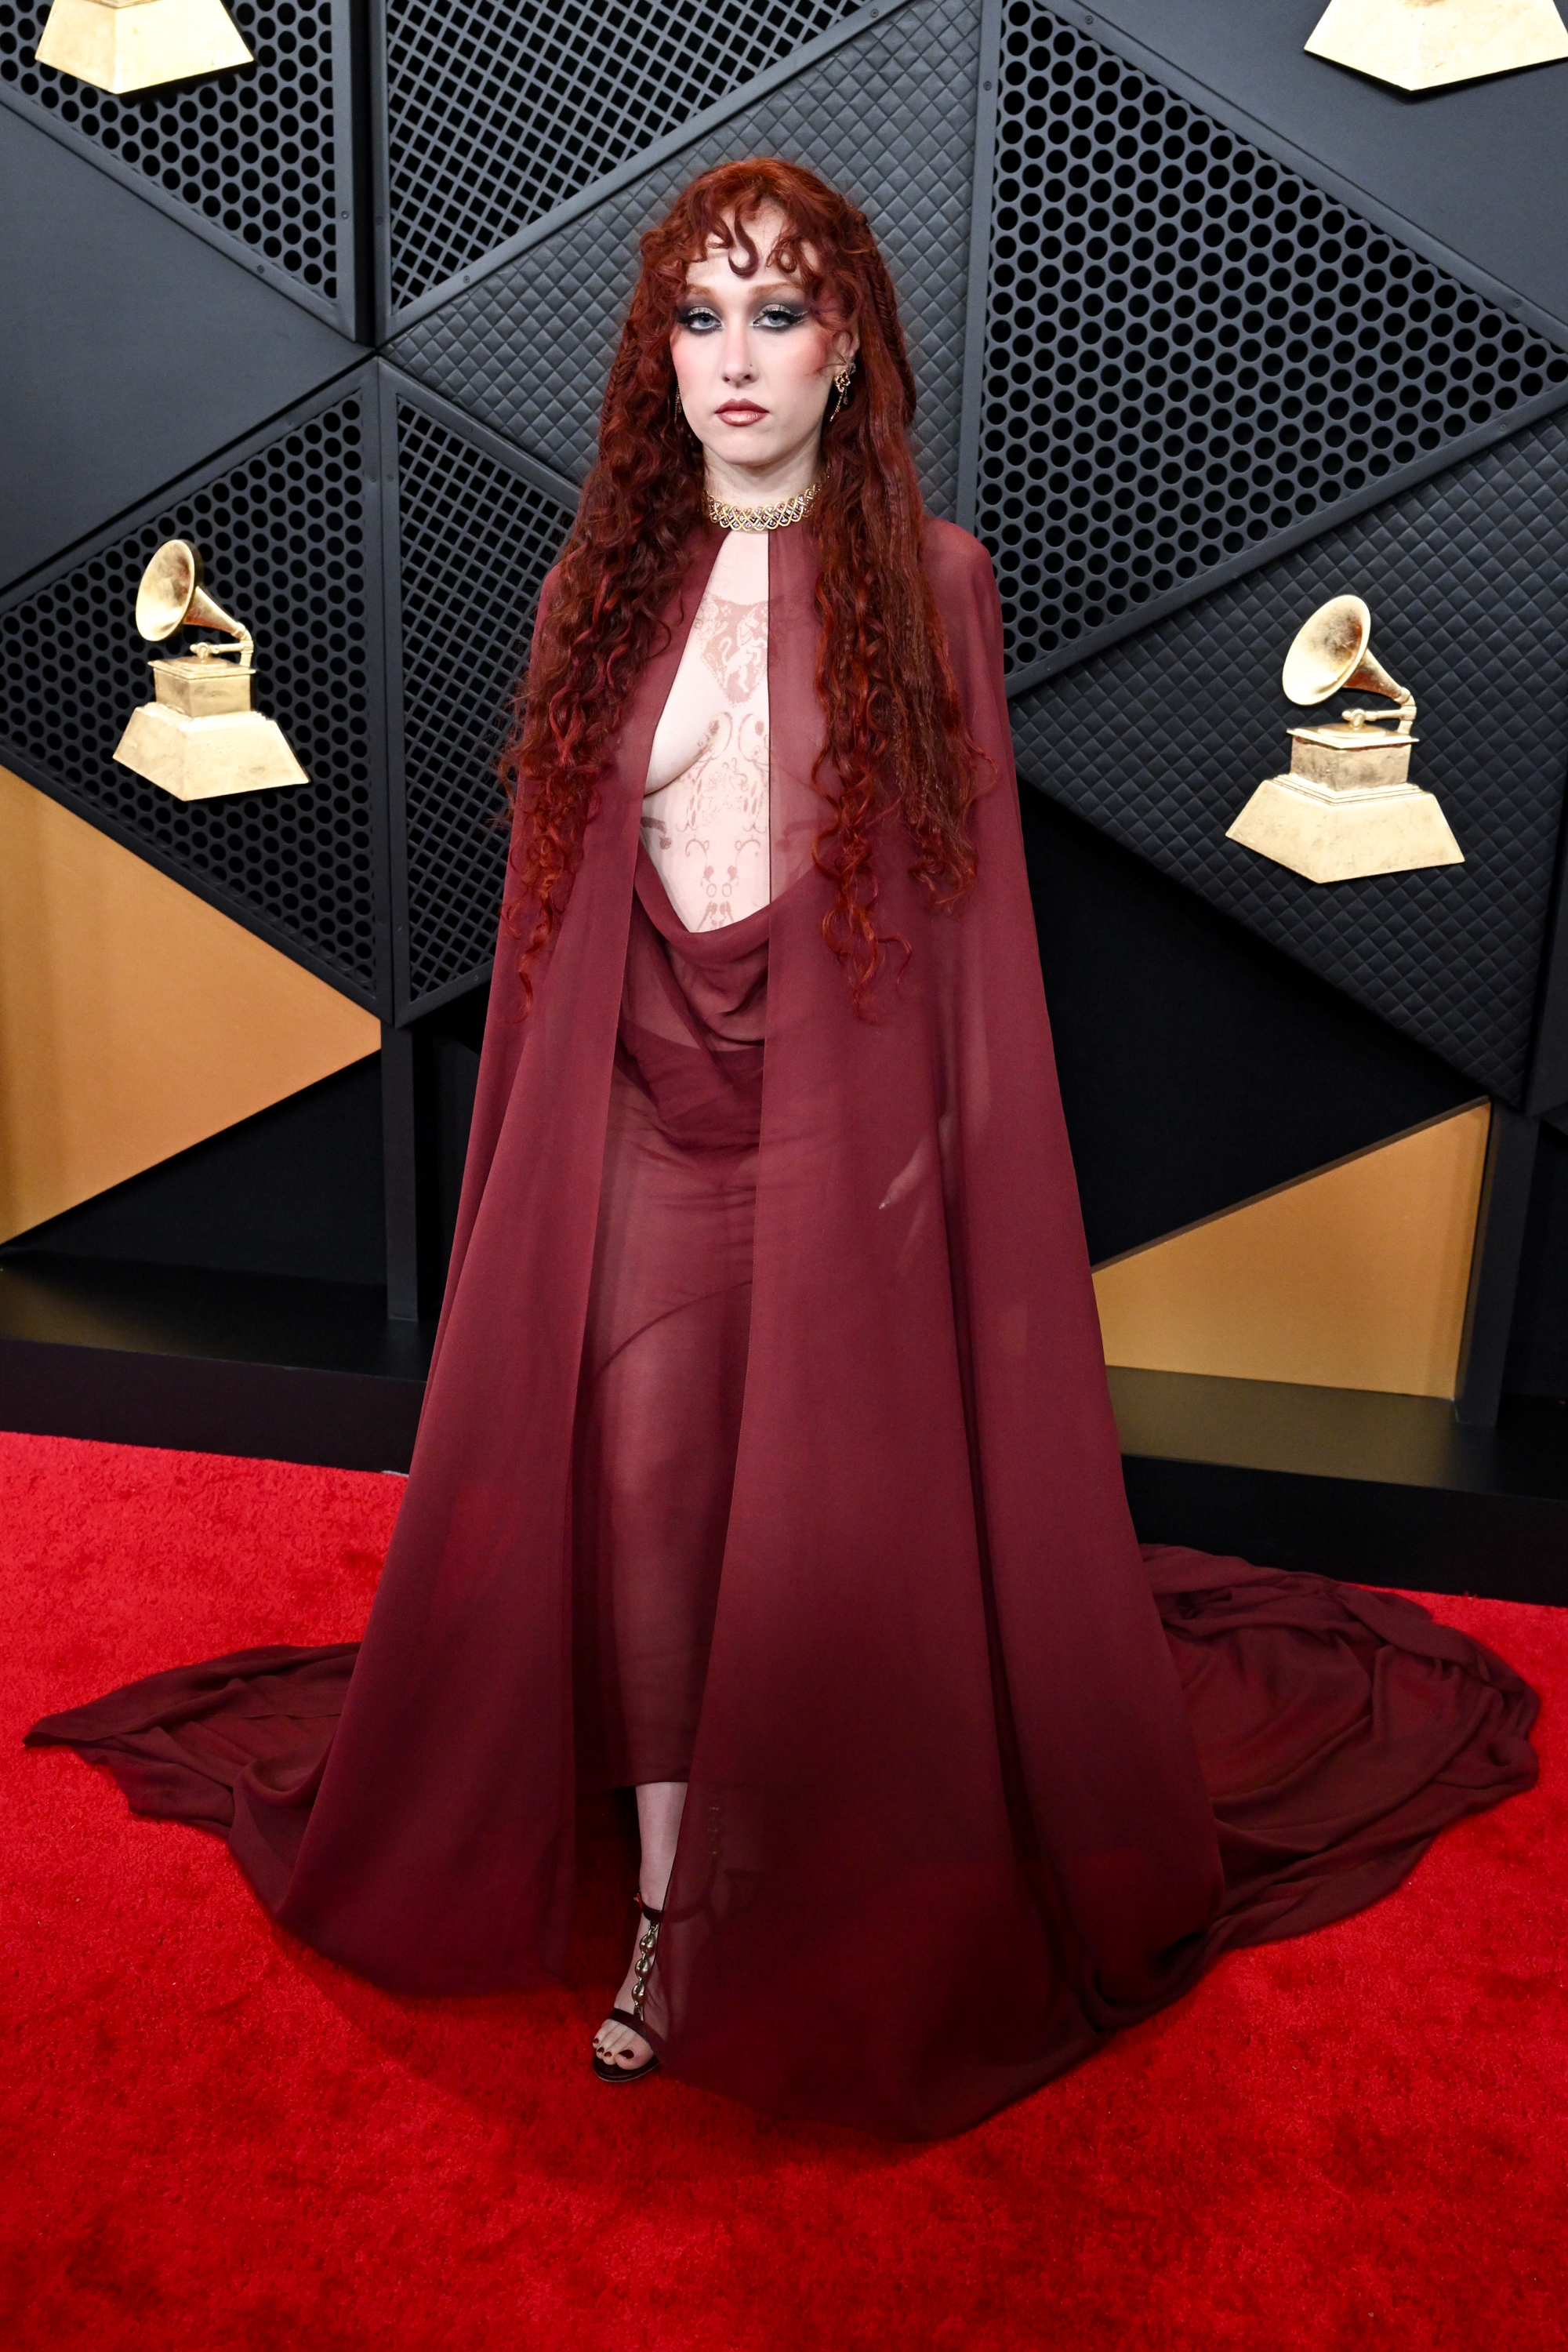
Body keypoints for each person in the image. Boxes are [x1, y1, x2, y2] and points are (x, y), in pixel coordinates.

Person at [27, 159, 1539, 2140]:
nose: (734, 356)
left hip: (847, 1131)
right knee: (659, 1499)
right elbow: (553, 916)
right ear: (656, 357)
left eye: (778, 313)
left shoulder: (937, 584)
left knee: (819, 1532)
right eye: (699, 316)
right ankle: (674, 1908)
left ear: (848, 352)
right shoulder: (598, 587)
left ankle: (817, 1849)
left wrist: (922, 1180)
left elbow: (961, 918)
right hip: (648, 1122)